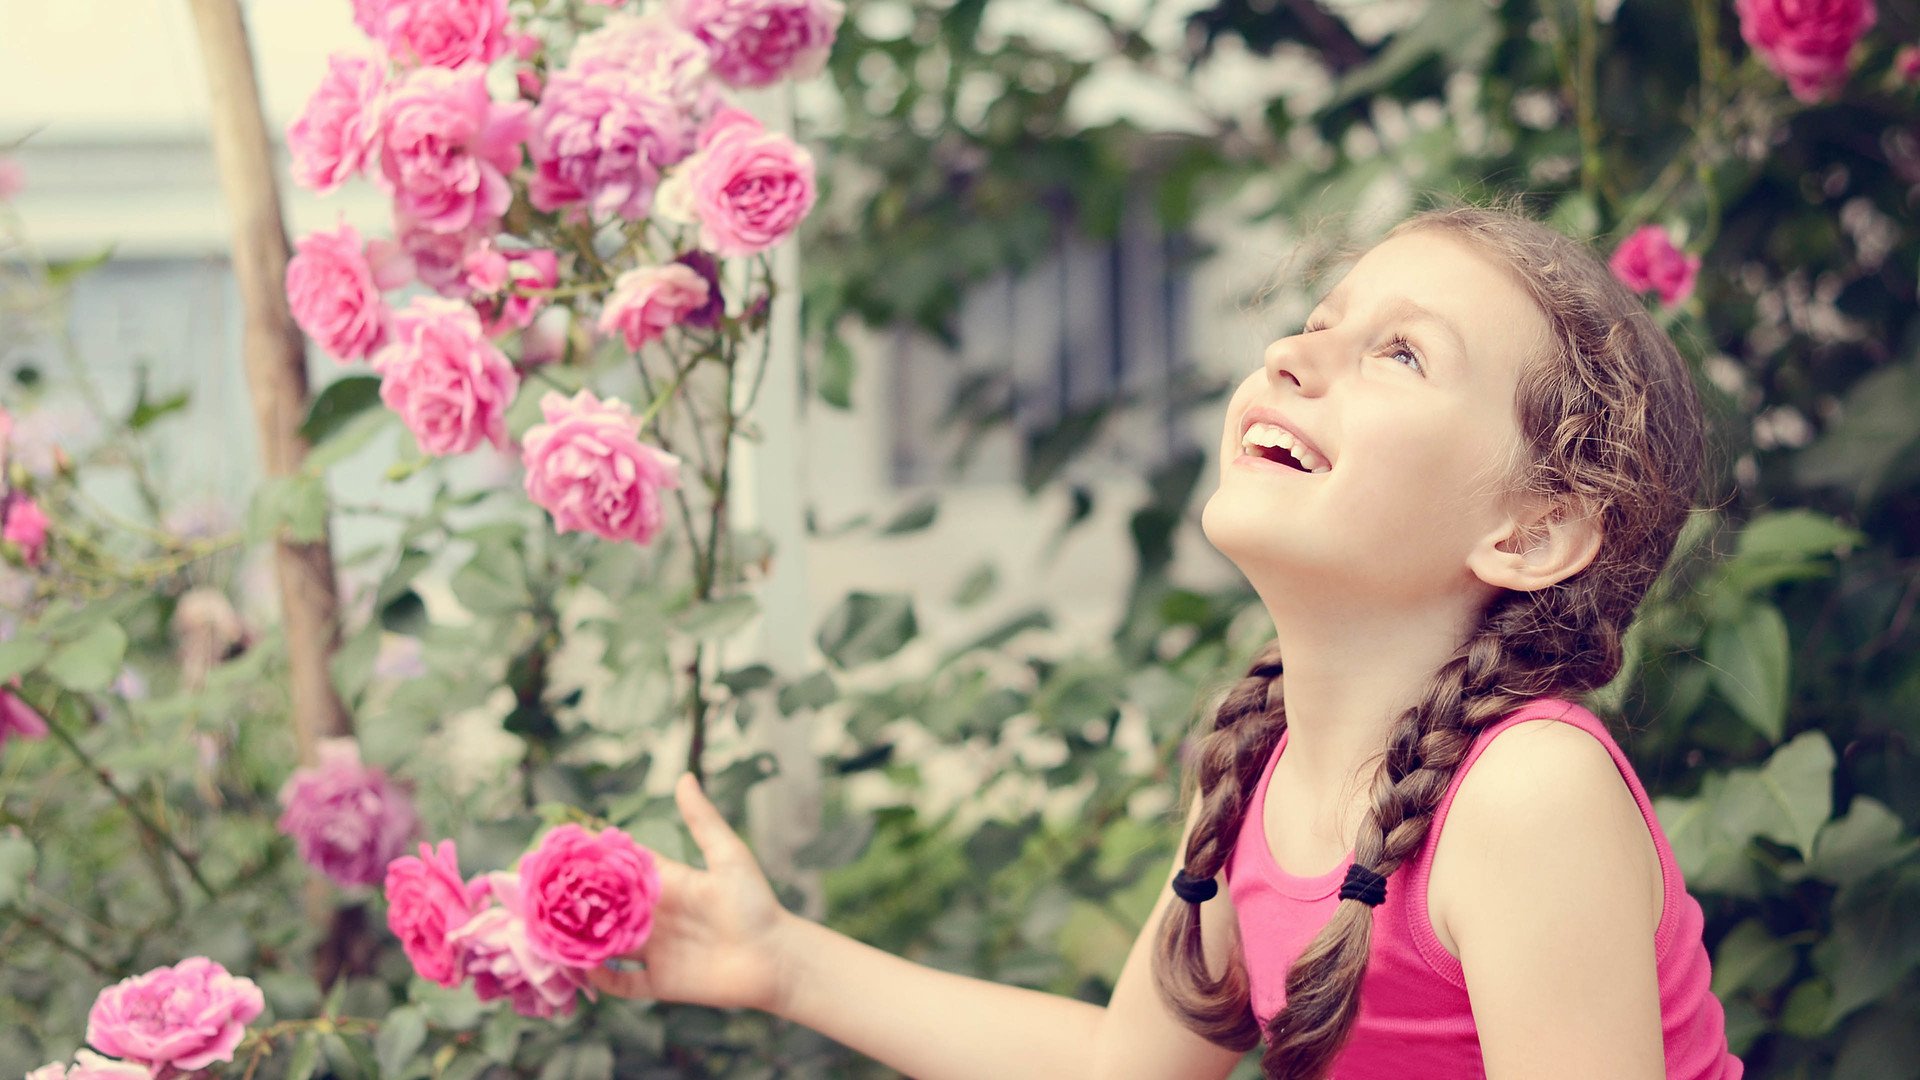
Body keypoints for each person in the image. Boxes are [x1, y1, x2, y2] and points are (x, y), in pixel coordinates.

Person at [588, 203, 1744, 1079]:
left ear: (1535, 528)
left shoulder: (1527, 795)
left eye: (1401, 354)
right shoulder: (1269, 771)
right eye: (1321, 320)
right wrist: (787, 964)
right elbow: (1122, 1071)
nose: (1296, 353)